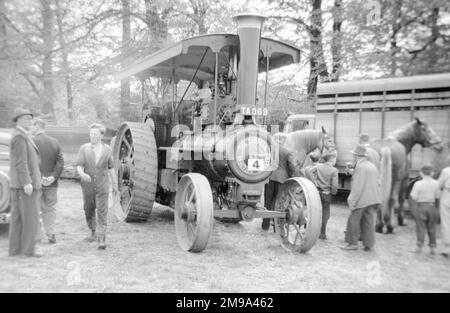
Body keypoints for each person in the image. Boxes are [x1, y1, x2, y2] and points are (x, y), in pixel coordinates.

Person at [76, 123, 118, 249]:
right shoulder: (84, 148)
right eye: (90, 133)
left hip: (103, 185)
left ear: (101, 135)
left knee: (102, 211)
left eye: (94, 134)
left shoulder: (107, 150)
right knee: (88, 209)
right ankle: (93, 231)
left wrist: (115, 184)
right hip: (88, 185)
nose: (92, 136)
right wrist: (82, 174)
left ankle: (102, 238)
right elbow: (79, 165)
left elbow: (110, 168)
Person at [8, 108, 43, 257]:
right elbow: (21, 163)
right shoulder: (19, 137)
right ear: (20, 120)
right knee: (30, 218)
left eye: (31, 119)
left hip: (20, 185)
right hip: (24, 186)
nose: (31, 122)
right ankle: (28, 250)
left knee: (18, 218)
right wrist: (27, 182)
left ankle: (15, 250)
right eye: (28, 119)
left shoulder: (22, 135)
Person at [341, 144, 381, 251]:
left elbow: (358, 186)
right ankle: (369, 244)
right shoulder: (371, 165)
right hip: (372, 198)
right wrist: (353, 172)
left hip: (362, 199)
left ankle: (352, 243)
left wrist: (352, 200)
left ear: (356, 156)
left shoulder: (360, 167)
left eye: (353, 155)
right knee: (368, 221)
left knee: (353, 220)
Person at [31, 118, 64, 244]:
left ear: (37, 126)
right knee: (49, 208)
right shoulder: (55, 142)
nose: (31, 128)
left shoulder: (31, 142)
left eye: (32, 126)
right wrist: (52, 177)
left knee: (34, 208)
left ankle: (36, 236)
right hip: (52, 184)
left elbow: (30, 163)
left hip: (35, 183)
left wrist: (40, 178)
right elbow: (60, 162)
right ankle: (50, 234)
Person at [262, 135, 300, 231]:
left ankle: (265, 225)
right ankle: (277, 226)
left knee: (267, 201)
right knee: (279, 202)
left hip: (269, 177)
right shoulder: (287, 151)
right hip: (282, 180)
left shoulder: (269, 150)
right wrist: (294, 176)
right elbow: (292, 166)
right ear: (283, 140)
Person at [410, 165, 440, 255]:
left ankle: (419, 246)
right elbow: (438, 197)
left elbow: (413, 197)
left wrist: (414, 209)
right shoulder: (436, 183)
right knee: (432, 228)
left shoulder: (418, 184)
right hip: (432, 206)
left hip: (421, 206)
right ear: (432, 173)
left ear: (421, 173)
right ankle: (433, 248)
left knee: (421, 227)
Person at [309, 153, 338, 240]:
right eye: (335, 159)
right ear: (332, 160)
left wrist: (315, 182)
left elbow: (309, 171)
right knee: (325, 214)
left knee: (316, 212)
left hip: (317, 192)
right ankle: (322, 233)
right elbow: (335, 185)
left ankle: (312, 231)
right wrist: (333, 192)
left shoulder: (319, 167)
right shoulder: (334, 170)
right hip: (326, 194)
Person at [438, 166, 450, 258]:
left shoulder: (446, 170)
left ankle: (446, 248)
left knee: (446, 222)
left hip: (447, 195)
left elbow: (439, 184)